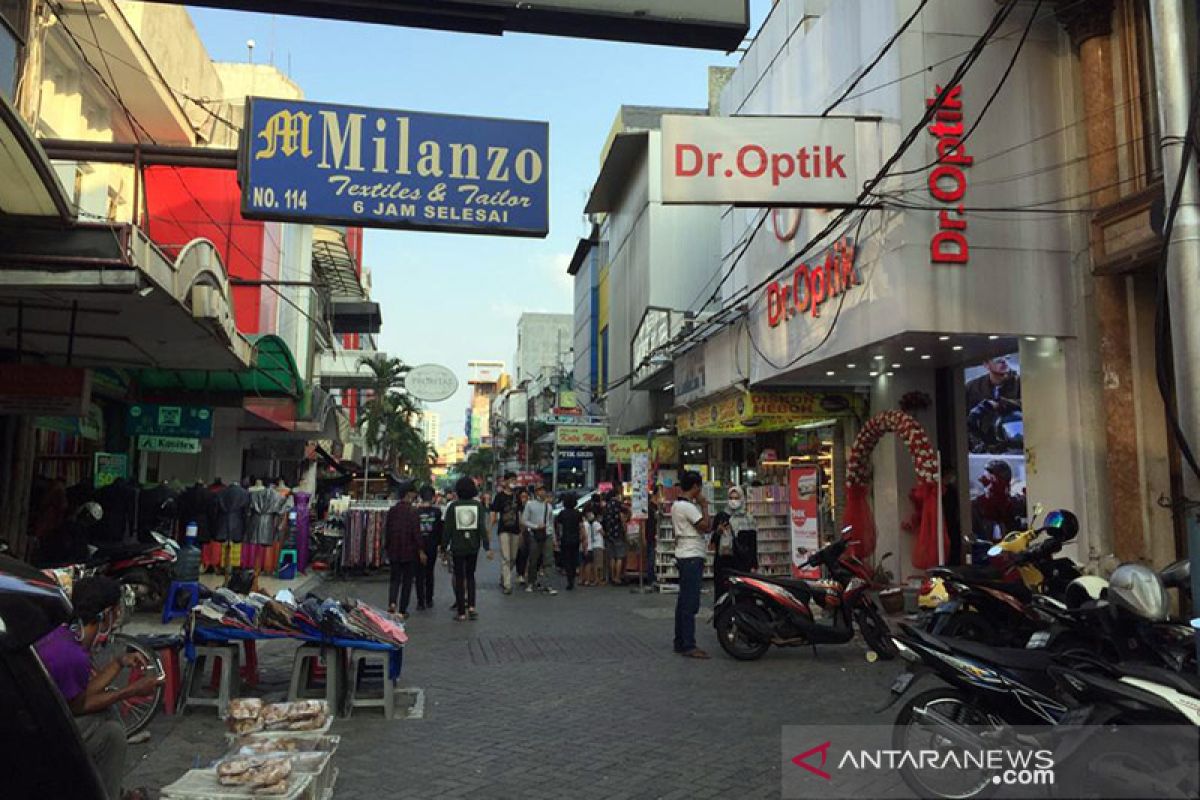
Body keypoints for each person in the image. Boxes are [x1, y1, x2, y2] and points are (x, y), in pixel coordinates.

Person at [34, 576, 159, 800]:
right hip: (43, 736)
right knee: (113, 735)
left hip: (42, 720)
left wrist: (118, 663)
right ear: (108, 613)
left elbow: (81, 694)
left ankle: (114, 790)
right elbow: (78, 706)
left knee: (108, 709)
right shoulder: (71, 655)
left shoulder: (66, 635)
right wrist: (131, 690)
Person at [672, 471, 712, 658]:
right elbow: (705, 526)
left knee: (683, 600)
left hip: (684, 553)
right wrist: (704, 506)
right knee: (690, 601)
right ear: (695, 486)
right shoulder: (688, 507)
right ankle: (689, 644)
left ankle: (680, 640)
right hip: (691, 555)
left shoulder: (677, 505)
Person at [441, 476, 493, 620]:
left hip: (457, 547)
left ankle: (461, 612)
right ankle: (472, 606)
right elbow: (481, 528)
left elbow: (447, 529)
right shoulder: (477, 506)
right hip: (473, 546)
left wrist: (443, 547)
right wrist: (487, 547)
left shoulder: (453, 506)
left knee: (459, 578)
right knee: (470, 576)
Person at [385, 481, 424, 618]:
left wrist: (387, 547)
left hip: (394, 550)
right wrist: (421, 549)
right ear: (409, 494)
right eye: (413, 492)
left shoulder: (392, 511)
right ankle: (402, 609)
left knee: (395, 578)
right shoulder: (413, 511)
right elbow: (416, 532)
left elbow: (387, 531)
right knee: (407, 581)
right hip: (409, 551)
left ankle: (392, 602)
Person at [490, 472, 522, 595]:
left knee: (513, 557)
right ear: (506, 481)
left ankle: (504, 576)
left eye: (515, 480)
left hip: (515, 530)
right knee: (506, 557)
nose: (514, 482)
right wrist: (489, 530)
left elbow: (519, 513)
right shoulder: (499, 497)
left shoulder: (517, 496)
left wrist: (522, 530)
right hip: (503, 530)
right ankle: (507, 585)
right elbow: (493, 513)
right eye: (512, 480)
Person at [521, 484, 556, 594]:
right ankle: (531, 582)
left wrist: (554, 537)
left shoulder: (549, 506)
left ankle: (548, 584)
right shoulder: (530, 504)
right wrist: (535, 526)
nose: (542, 492)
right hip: (534, 535)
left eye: (544, 490)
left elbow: (551, 523)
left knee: (548, 560)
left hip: (547, 535)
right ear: (536, 492)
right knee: (533, 559)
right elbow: (524, 520)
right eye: (540, 490)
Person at [416, 485, 443, 610]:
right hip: (432, 546)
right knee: (429, 573)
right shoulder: (437, 512)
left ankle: (420, 601)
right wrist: (440, 546)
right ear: (433, 497)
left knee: (419, 574)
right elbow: (439, 531)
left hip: (418, 547)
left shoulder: (415, 512)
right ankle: (429, 599)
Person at [555, 493, 585, 590]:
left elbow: (559, 528)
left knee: (567, 559)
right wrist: (582, 537)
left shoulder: (562, 514)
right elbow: (581, 527)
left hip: (565, 538)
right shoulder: (578, 514)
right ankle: (573, 575)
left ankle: (569, 579)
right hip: (575, 539)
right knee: (574, 558)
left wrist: (558, 538)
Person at [602, 490, 628, 585]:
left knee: (612, 557)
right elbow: (623, 516)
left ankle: (612, 577)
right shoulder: (618, 505)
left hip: (609, 534)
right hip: (618, 533)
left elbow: (603, 520)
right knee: (619, 557)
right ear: (616, 495)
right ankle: (618, 577)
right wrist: (625, 529)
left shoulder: (606, 506)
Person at [514, 488, 530, 583]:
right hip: (519, 532)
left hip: (529, 532)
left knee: (527, 553)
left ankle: (524, 572)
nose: (524, 499)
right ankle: (520, 573)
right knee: (520, 553)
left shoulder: (530, 507)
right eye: (522, 497)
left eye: (526, 497)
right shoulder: (517, 508)